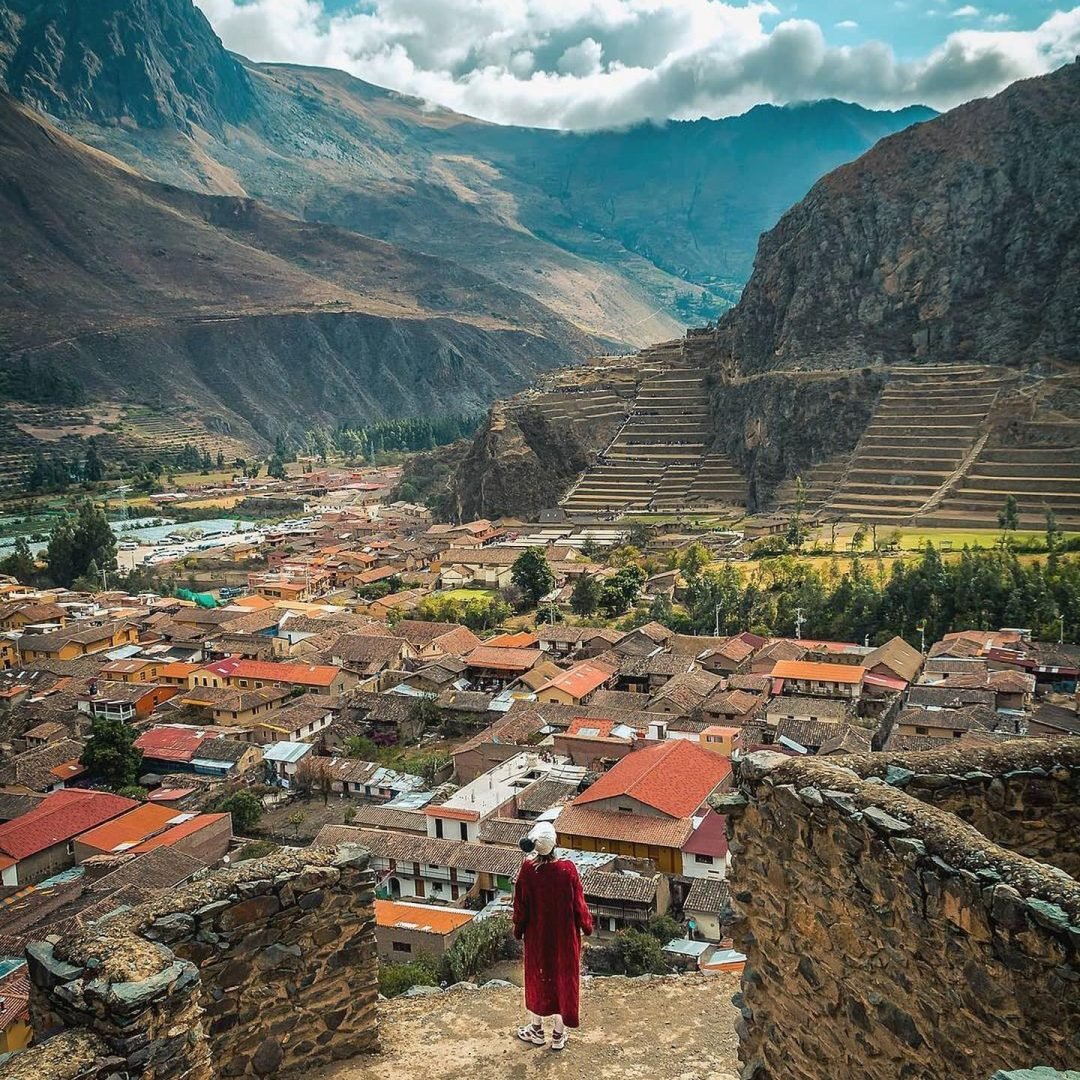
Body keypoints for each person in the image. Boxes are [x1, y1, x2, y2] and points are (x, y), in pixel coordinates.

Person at [512, 820, 593, 1051]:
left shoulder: (528, 870)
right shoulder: (567, 870)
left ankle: (536, 1029)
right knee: (563, 981)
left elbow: (520, 907)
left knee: (538, 978)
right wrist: (586, 926)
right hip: (565, 939)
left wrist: (518, 929)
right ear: (555, 843)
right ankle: (558, 1033)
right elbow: (579, 904)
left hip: (537, 938)